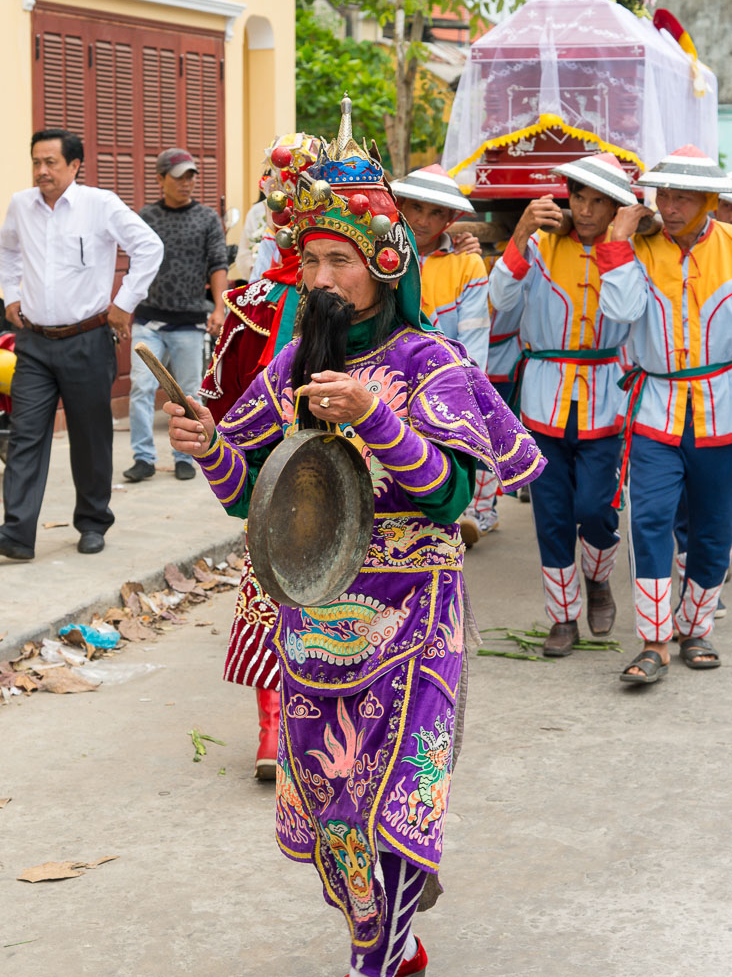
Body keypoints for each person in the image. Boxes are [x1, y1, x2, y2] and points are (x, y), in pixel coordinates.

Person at [166, 96, 545, 977]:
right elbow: (250, 502)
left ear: (383, 266)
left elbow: (451, 496)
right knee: (338, 821)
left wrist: (379, 421)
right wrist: (211, 445)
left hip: (414, 620)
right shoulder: (291, 370)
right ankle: (391, 939)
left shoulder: (429, 366)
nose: (322, 280)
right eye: (311, 262)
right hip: (312, 619)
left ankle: (375, 959)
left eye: (340, 260)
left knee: (394, 802)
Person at [199, 133, 320, 781]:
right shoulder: (253, 305)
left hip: (342, 464)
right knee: (273, 593)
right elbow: (218, 406)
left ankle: (302, 727)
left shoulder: (356, 304)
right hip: (277, 475)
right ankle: (275, 728)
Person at [489, 153, 636, 656]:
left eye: (600, 201)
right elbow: (502, 300)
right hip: (543, 398)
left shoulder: (629, 249)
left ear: (617, 207)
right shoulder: (541, 244)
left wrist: (620, 244)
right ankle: (562, 618)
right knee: (551, 516)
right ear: (567, 197)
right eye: (579, 197)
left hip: (606, 400)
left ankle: (598, 579)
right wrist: (520, 233)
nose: (588, 210)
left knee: (596, 510)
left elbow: (624, 311)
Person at [597, 145, 732, 684]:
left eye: (683, 197)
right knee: (649, 521)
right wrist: (618, 242)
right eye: (664, 195)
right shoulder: (637, 248)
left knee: (713, 528)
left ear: (708, 201)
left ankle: (696, 628)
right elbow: (621, 311)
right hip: (654, 408)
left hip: (720, 408)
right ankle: (654, 640)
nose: (670, 207)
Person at [0, 129, 163, 560]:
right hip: (34, 342)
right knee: (25, 436)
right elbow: (7, 251)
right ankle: (16, 533)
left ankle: (92, 522)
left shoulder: (100, 205)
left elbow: (149, 247)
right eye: (36, 162)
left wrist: (124, 303)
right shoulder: (21, 205)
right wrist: (10, 295)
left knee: (90, 437)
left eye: (51, 162)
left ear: (74, 166)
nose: (41, 171)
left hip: (87, 340)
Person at [391, 164, 494, 546]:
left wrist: (468, 389)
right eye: (415, 207)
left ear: (450, 218)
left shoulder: (467, 263)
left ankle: (452, 518)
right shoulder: (379, 254)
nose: (422, 220)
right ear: (399, 204)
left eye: (436, 212)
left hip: (442, 380)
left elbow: (473, 339)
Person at [123, 148, 228, 483]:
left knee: (188, 393)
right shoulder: (146, 217)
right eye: (179, 176)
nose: (187, 183)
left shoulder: (207, 218)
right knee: (140, 387)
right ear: (160, 179)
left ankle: (185, 455)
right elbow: (136, 265)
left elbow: (218, 264)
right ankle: (143, 457)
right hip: (148, 320)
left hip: (189, 323)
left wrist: (220, 307)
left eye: (191, 176)